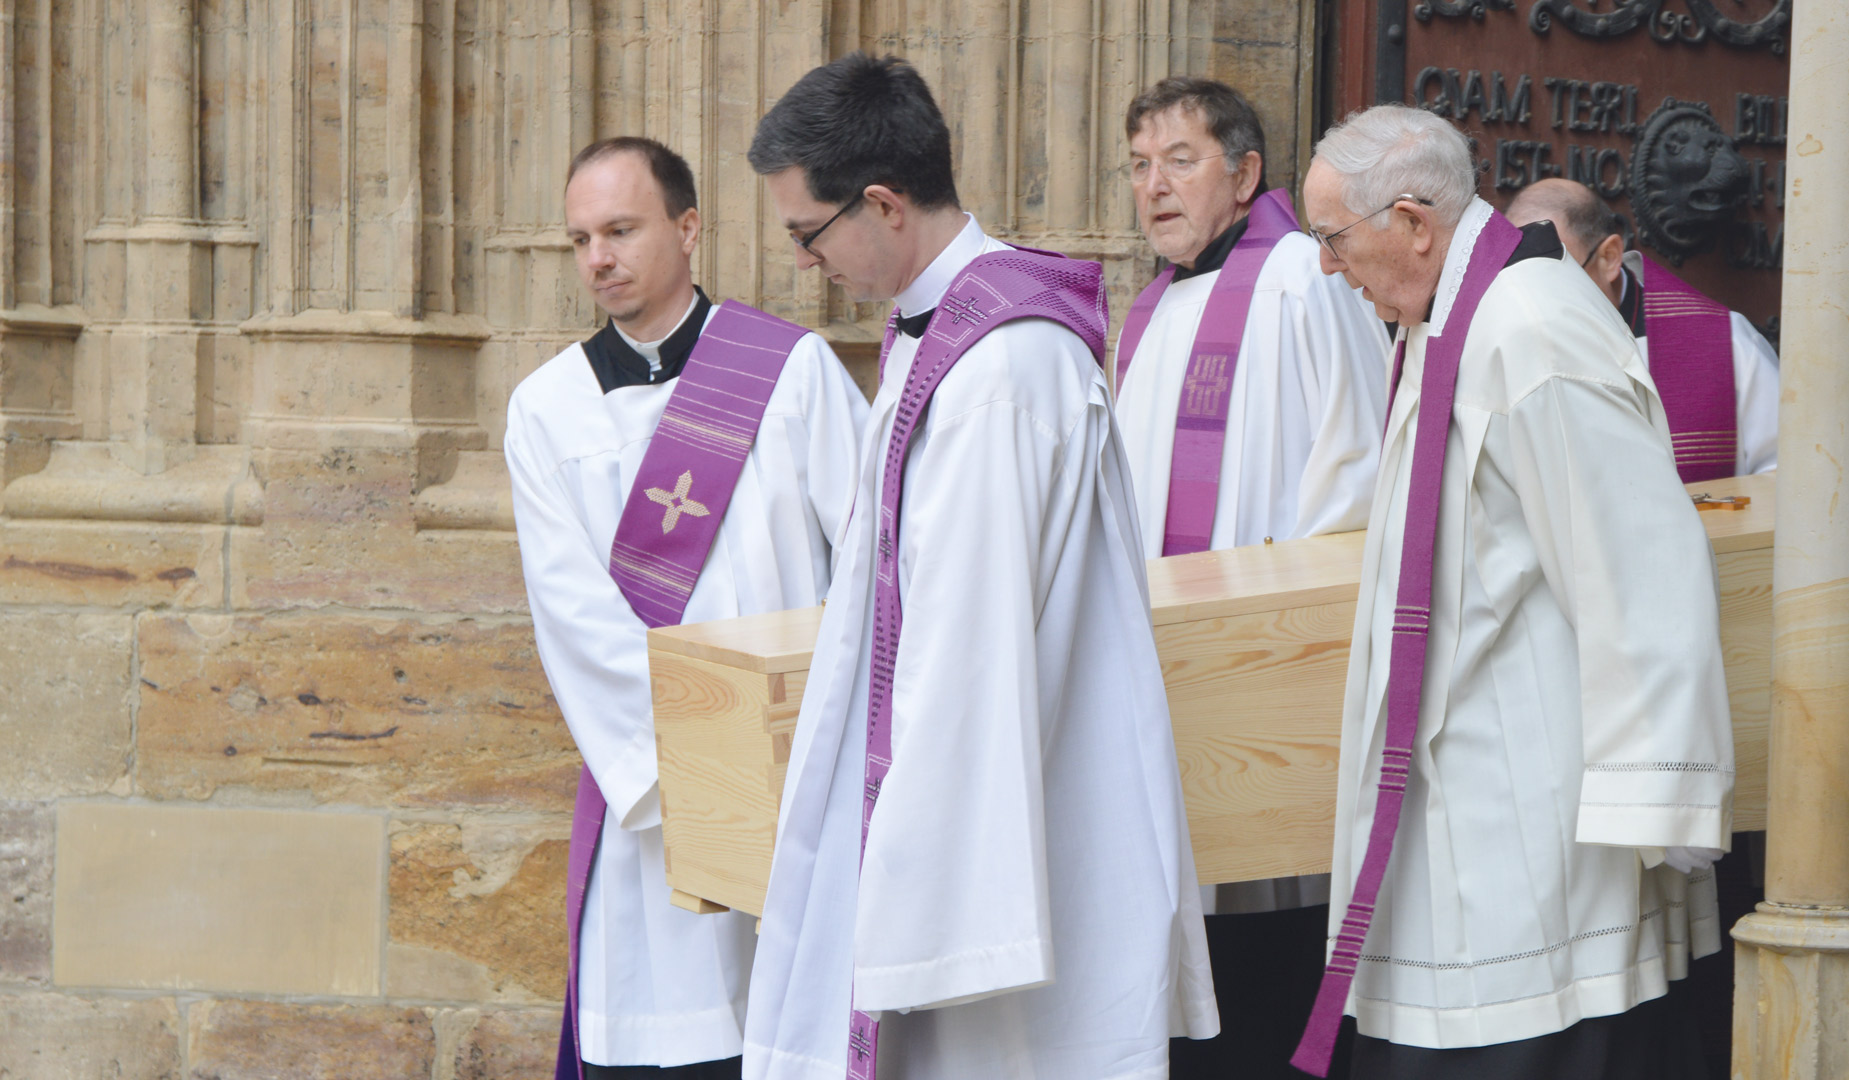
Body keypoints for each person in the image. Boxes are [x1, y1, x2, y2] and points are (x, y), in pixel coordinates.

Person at [738, 52, 1219, 1080]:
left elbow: (964, 659)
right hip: (961, 812)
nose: (804, 263)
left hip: (996, 851)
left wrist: (905, 895)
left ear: (882, 203)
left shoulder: (997, 368)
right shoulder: (946, 338)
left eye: (808, 233)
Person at [1290, 105, 1734, 1079]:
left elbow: (1640, 569)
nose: (1325, 266)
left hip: (1532, 851)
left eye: (1334, 238)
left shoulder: (1532, 322)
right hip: (1466, 829)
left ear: (1414, 223)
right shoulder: (1449, 319)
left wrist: (1661, 806)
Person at [505, 136, 868, 1080]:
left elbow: (876, 558)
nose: (599, 258)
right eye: (581, 239)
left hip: (799, 785)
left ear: (689, 227)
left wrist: (811, 750)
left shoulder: (791, 370)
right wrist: (700, 771)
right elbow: (574, 619)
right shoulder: (546, 410)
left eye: (621, 230)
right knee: (679, 1035)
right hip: (660, 806)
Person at [1113, 76, 1388, 1079]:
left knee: (1271, 951)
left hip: (1271, 693)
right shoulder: (1149, 310)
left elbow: (1358, 475)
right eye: (1140, 166)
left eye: (1180, 160)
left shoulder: (1305, 279)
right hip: (1173, 685)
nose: (1154, 185)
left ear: (1245, 174)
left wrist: (1280, 653)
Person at [1507, 177, 1778, 478]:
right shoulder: (1501, 345)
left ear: (1609, 257)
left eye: (1554, 279)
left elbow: (1785, 475)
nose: (1536, 303)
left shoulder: (1727, 345)